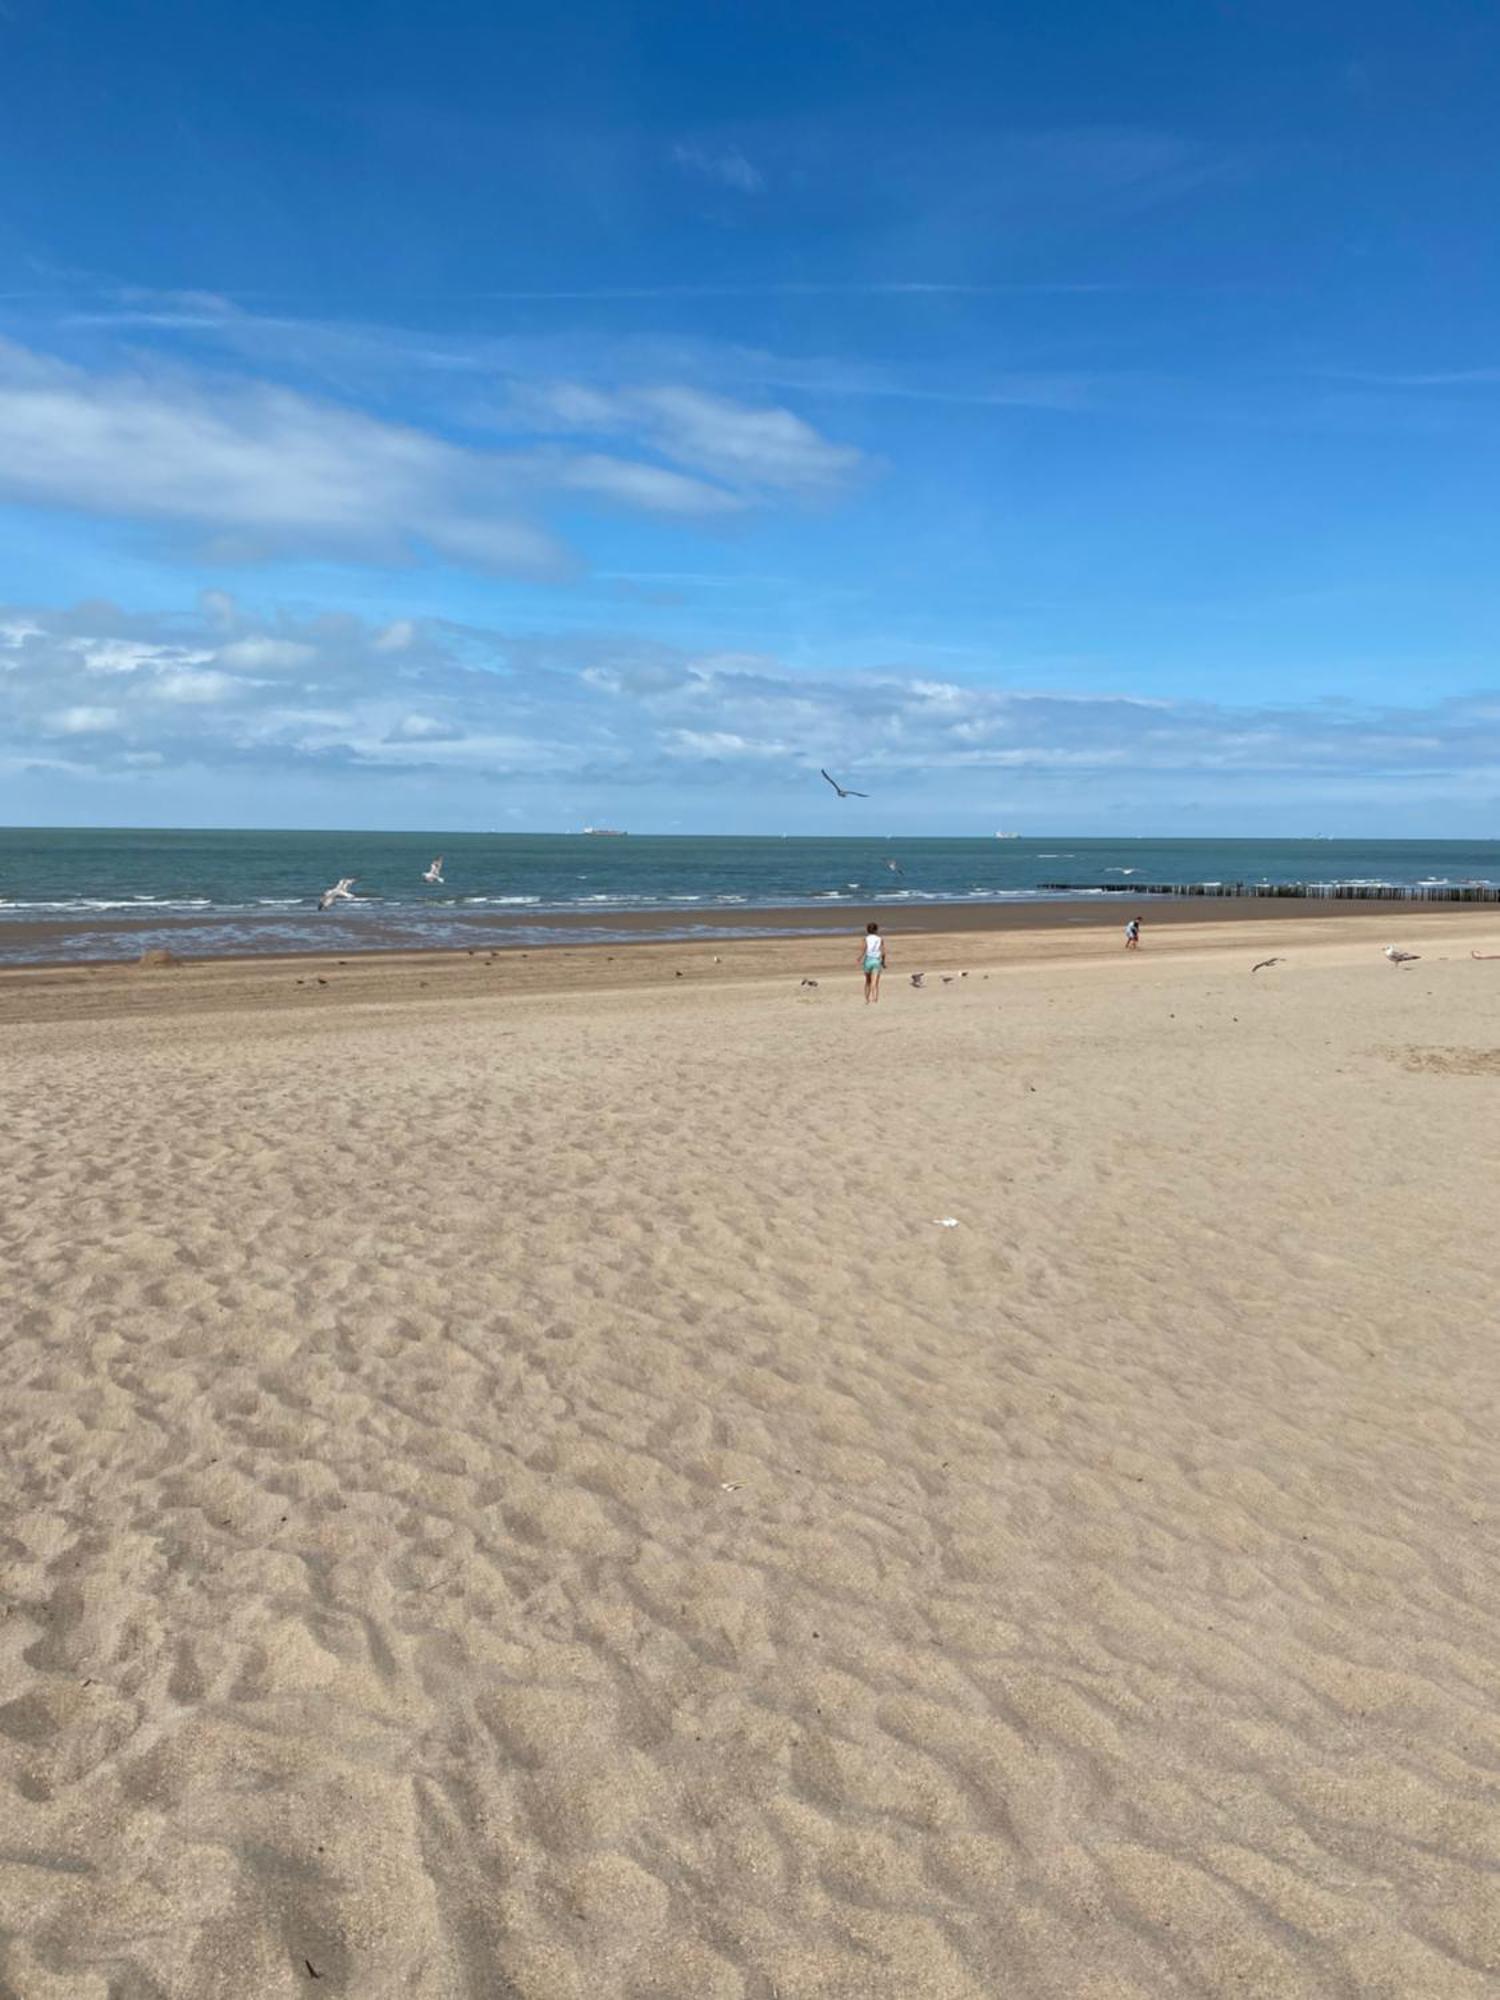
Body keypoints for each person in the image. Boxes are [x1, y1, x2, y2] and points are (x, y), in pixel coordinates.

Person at [861, 921, 887, 1002]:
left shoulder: (865, 939)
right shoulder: (880, 939)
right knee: (875, 982)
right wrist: (883, 962)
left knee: (867, 981)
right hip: (876, 961)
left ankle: (867, 999)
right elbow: (883, 952)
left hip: (868, 960)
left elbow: (864, 950)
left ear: (867, 930)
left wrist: (860, 957)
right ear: (876, 930)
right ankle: (875, 998)